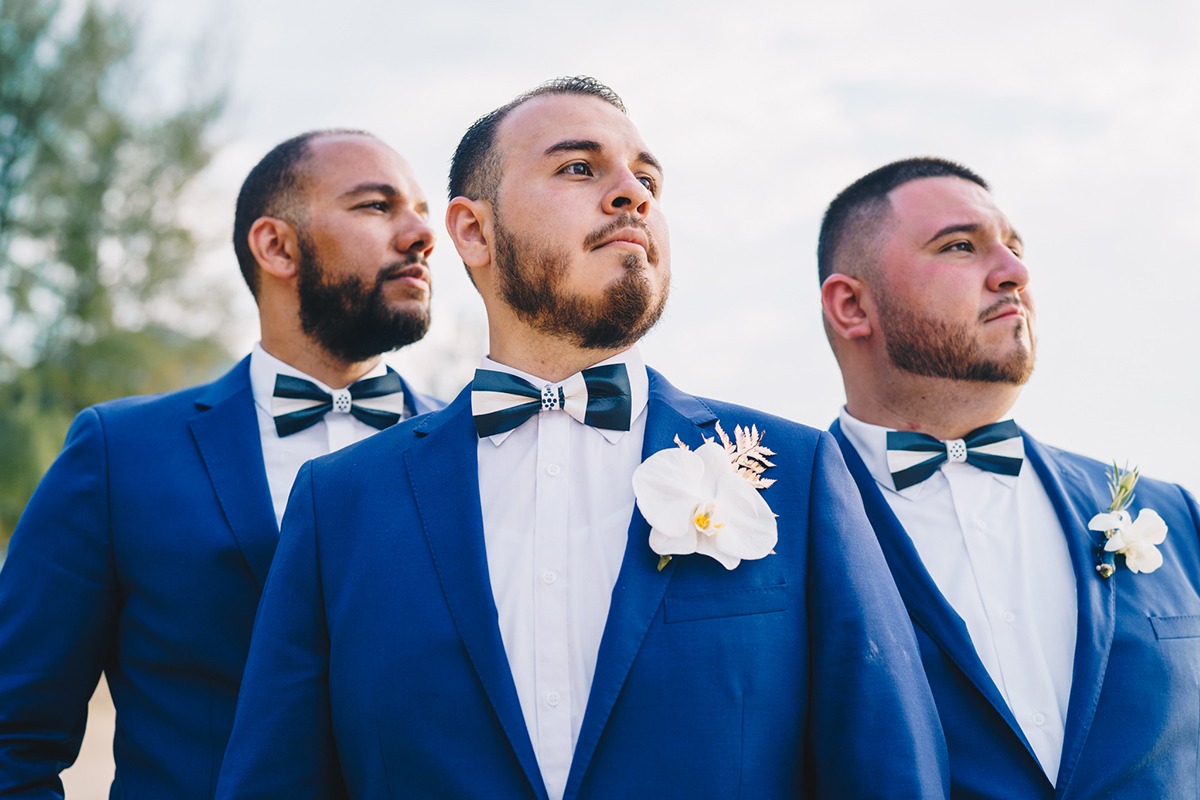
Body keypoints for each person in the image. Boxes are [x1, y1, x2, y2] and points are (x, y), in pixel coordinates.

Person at [215, 77, 946, 800]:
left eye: (647, 177)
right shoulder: (339, 503)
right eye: (578, 167)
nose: (633, 193)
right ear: (473, 232)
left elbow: (886, 772)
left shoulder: (799, 471)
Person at [0, 129, 442, 798]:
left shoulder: (472, 447)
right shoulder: (121, 454)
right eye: (376, 206)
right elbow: (14, 736)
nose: (420, 235)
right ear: (276, 246)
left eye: (421, 211)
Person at [819, 157, 1200, 798]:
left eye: (1016, 249)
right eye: (961, 246)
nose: (1015, 274)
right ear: (853, 305)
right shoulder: (777, 523)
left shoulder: (1176, 517)